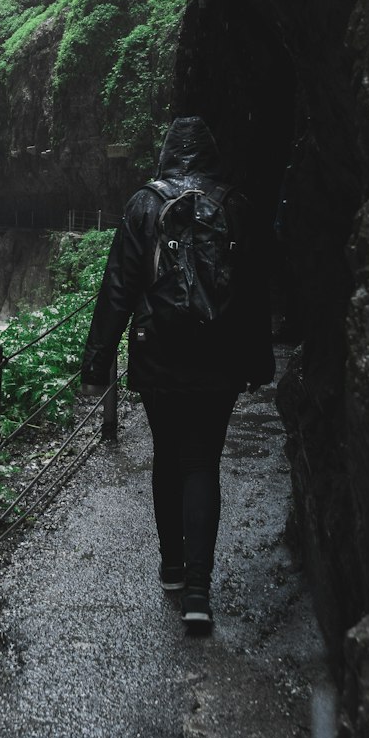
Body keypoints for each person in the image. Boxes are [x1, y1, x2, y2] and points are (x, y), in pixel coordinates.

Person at [80, 115, 275, 631]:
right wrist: (260, 360)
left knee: (167, 457)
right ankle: (198, 592)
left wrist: (97, 364)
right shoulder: (235, 205)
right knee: (203, 462)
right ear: (211, 154)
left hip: (158, 353)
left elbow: (118, 286)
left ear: (167, 152)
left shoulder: (145, 203)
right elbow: (255, 291)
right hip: (220, 356)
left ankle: (171, 567)